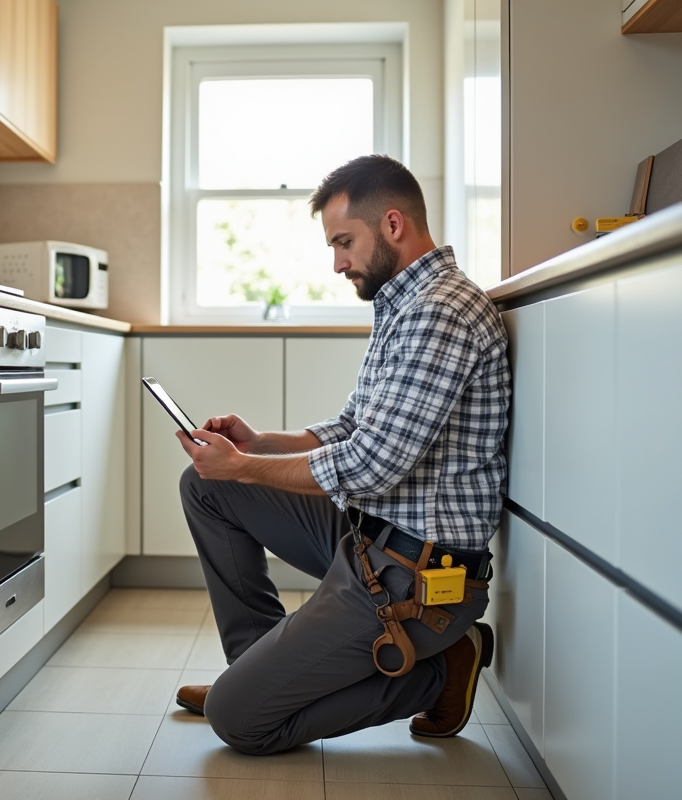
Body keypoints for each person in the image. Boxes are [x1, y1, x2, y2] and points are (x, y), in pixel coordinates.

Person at [172, 154, 511, 755]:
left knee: (237, 721)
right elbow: (353, 428)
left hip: (416, 575)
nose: (337, 263)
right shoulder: (404, 305)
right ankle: (264, 673)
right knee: (207, 486)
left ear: (393, 224)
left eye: (344, 242)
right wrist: (259, 444)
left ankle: (439, 670)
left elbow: (371, 465)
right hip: (369, 535)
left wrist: (245, 465)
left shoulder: (438, 311)